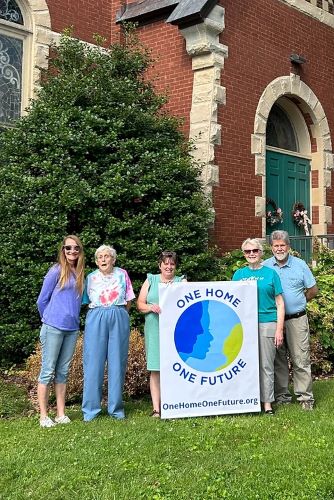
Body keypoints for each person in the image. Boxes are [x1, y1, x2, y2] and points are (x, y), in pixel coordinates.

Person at [264, 230, 318, 410]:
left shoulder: (300, 265)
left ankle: (305, 398)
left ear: (288, 246)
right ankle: (282, 396)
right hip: (274, 320)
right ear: (271, 248)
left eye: (282, 245)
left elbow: (312, 290)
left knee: (300, 358)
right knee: (278, 359)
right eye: (276, 246)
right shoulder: (265, 267)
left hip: (296, 319)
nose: (279, 249)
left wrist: (299, 302)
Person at [82, 245, 135, 421]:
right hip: (96, 316)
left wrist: (119, 313)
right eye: (100, 257)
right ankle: (91, 410)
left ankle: (116, 409)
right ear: (96, 261)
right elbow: (84, 301)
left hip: (118, 314)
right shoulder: (90, 278)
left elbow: (128, 300)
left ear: (113, 259)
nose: (103, 259)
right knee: (93, 363)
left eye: (107, 256)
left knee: (117, 362)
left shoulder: (122, 274)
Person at [37, 235, 85, 427]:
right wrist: (48, 318)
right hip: (53, 327)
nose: (72, 251)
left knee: (63, 372)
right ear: (63, 250)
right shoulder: (56, 270)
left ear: (80, 251)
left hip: (71, 329)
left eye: (76, 248)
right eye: (68, 248)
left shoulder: (80, 272)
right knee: (47, 371)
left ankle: (61, 414)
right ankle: (43, 416)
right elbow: (42, 300)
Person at [232, 238, 284, 415]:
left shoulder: (271, 274)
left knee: (266, 365)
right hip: (244, 326)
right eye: (248, 252)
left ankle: (267, 403)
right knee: (245, 364)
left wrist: (279, 329)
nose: (252, 254)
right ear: (244, 254)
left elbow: (280, 303)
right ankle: (247, 401)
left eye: (255, 251)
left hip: (267, 322)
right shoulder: (238, 275)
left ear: (261, 253)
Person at [137, 251, 186, 417]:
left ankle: (174, 403)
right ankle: (156, 408)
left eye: (172, 264)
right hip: (154, 329)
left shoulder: (182, 281)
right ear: (160, 265)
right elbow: (140, 304)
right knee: (156, 368)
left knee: (176, 367)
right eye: (166, 263)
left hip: (176, 331)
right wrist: (151, 307)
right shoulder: (151, 280)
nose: (169, 266)